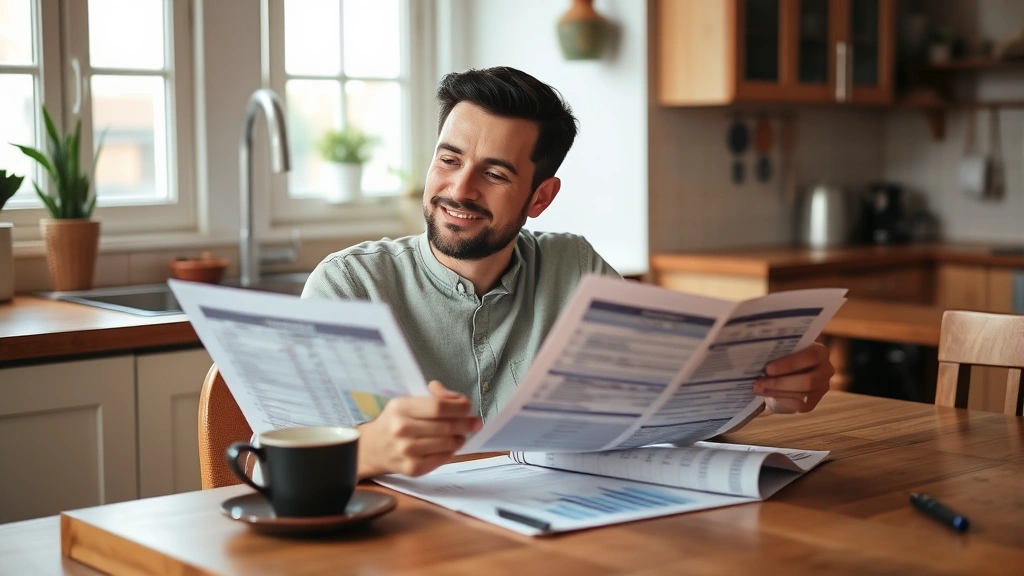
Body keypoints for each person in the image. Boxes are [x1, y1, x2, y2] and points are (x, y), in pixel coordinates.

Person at [301, 66, 835, 480]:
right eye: (448, 160)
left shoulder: (574, 267)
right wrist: (366, 450)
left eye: (493, 173)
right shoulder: (348, 287)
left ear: (540, 197)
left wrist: (767, 389)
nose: (459, 190)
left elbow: (662, 399)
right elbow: (261, 468)